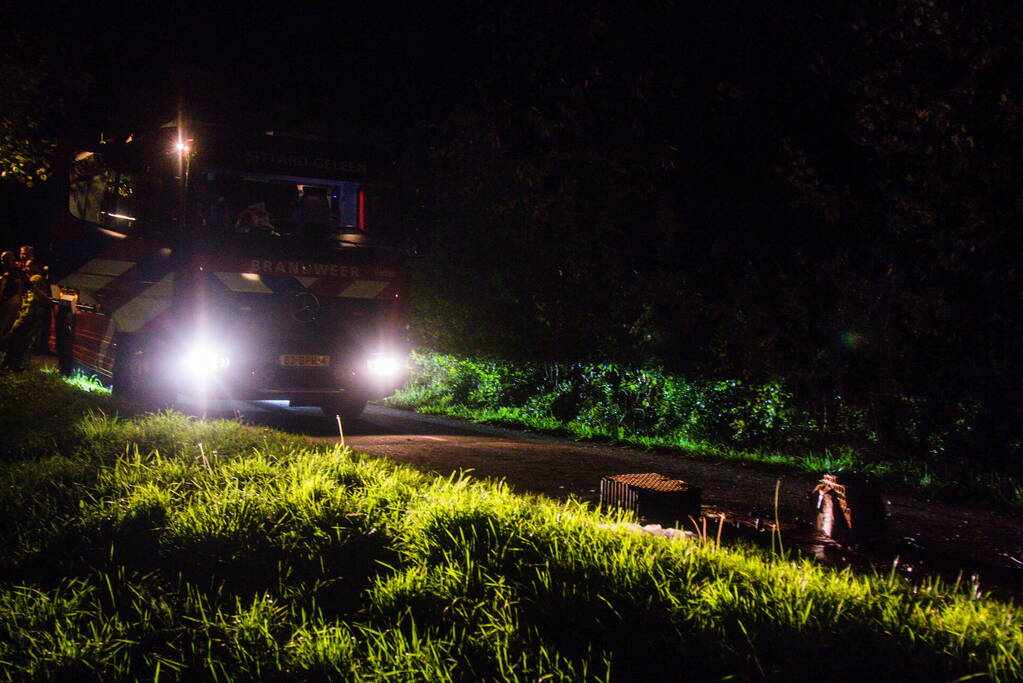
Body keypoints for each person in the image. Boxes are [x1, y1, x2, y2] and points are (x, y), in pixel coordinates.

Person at [0, 259, 53, 371]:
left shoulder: (35, 278)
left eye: (29, 266)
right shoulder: (34, 278)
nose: (26, 267)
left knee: (15, 337)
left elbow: (33, 298)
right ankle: (12, 364)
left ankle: (9, 363)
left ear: (35, 266)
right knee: (20, 340)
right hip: (28, 314)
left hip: (28, 314)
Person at [0, 251, 23, 337]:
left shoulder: (16, 272)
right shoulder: (3, 271)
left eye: (10, 260)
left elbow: (20, 286)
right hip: (4, 302)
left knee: (7, 327)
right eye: (3, 260)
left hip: (12, 302)